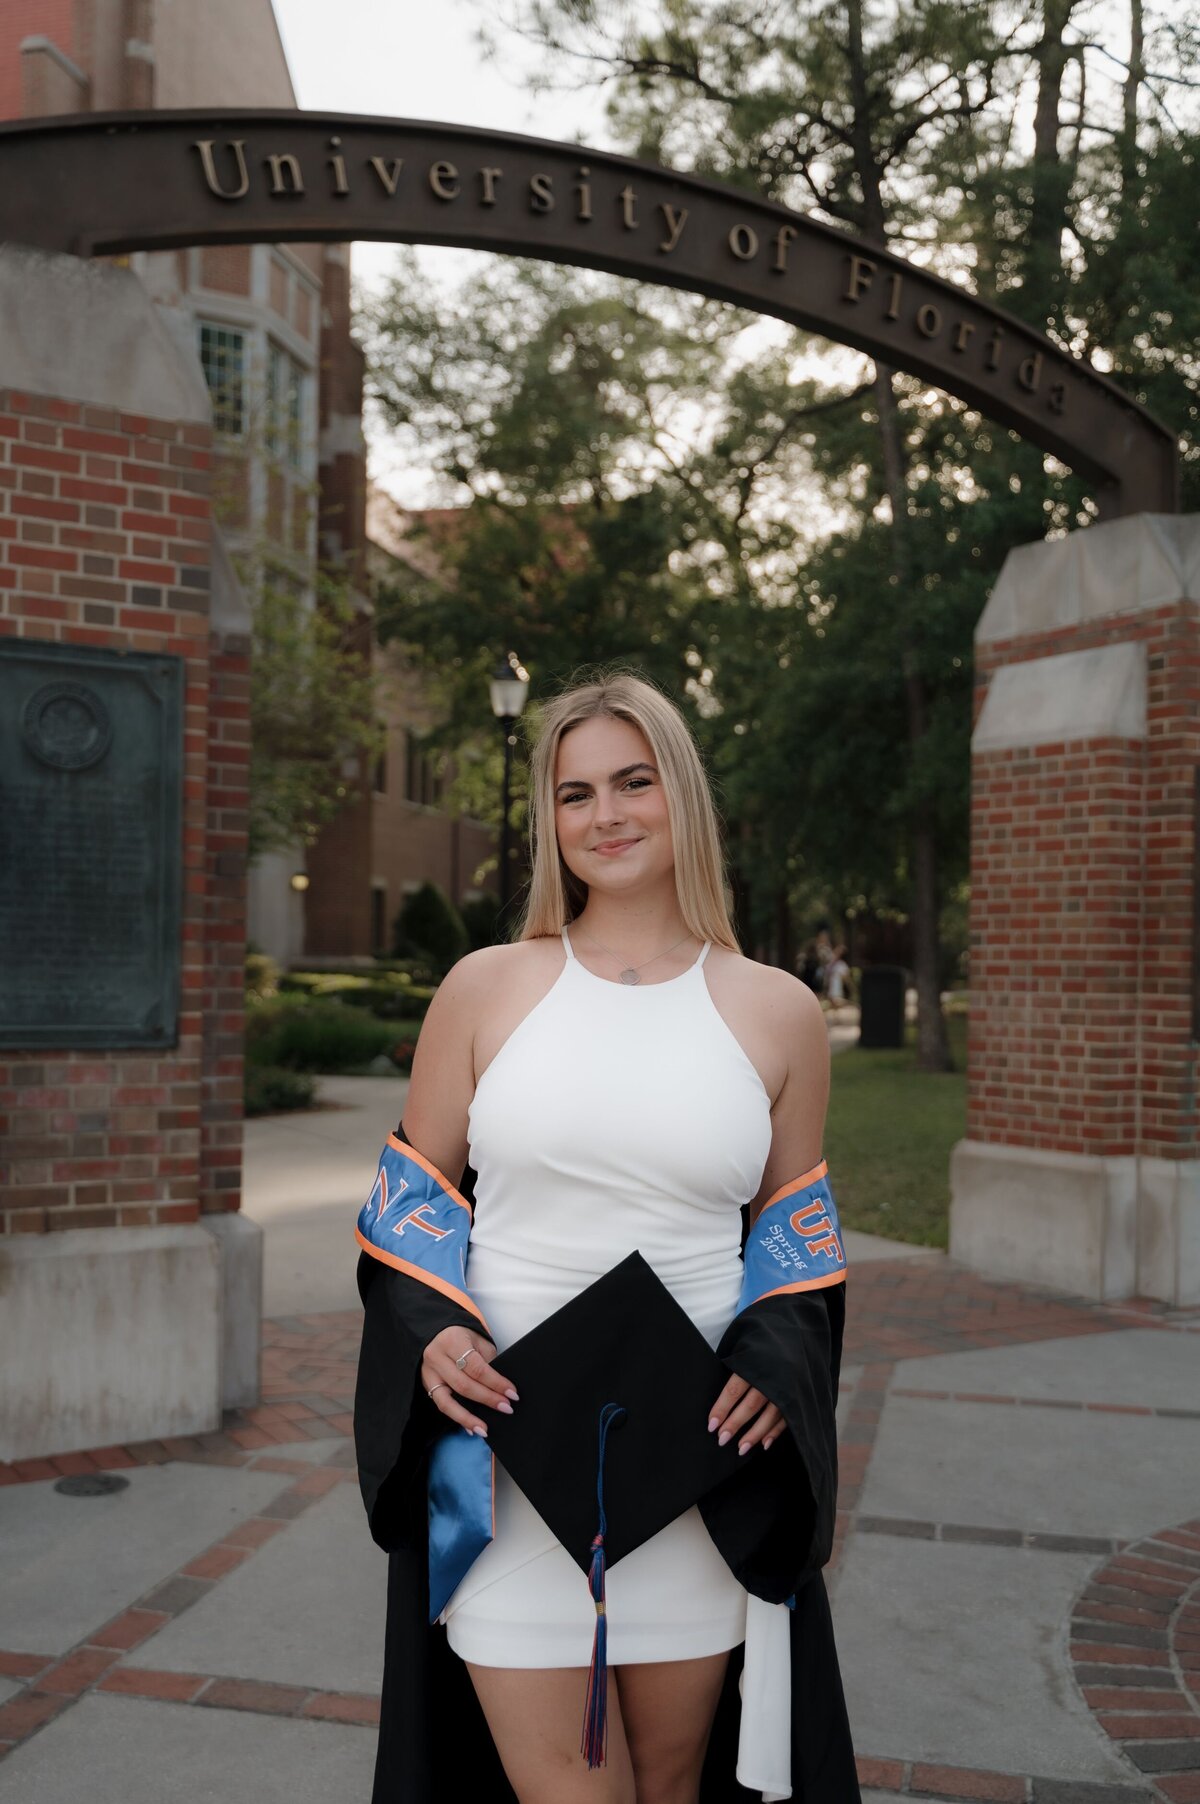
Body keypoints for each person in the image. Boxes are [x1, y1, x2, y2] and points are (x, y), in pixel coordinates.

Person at [354, 671, 859, 1803]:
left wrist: (777, 1362)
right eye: (576, 793)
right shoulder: (485, 989)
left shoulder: (778, 1010)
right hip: (511, 1463)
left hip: (689, 1470)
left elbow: (796, 1237)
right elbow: (410, 1208)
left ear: (681, 795)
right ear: (552, 821)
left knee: (677, 1788)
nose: (607, 814)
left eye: (634, 782)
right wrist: (430, 1329)